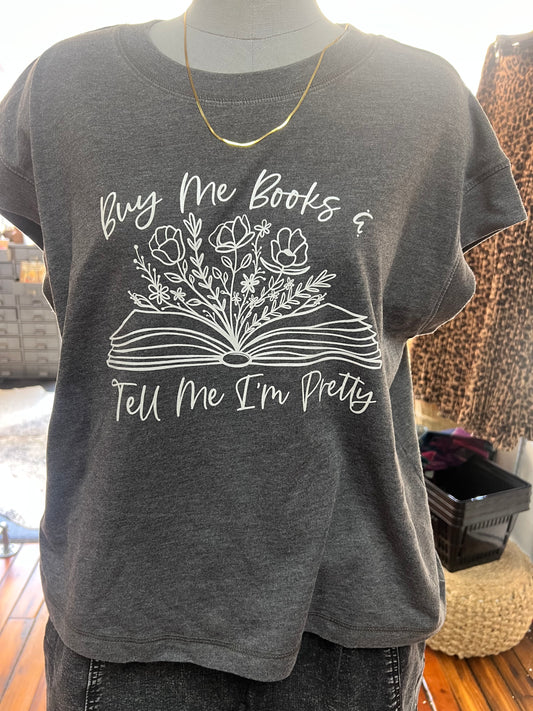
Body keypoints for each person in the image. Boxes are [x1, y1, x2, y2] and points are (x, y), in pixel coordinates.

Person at [0, 1, 527, 709]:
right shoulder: (63, 87)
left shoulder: (426, 103)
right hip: (126, 612)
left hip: (345, 615)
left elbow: (395, 319)